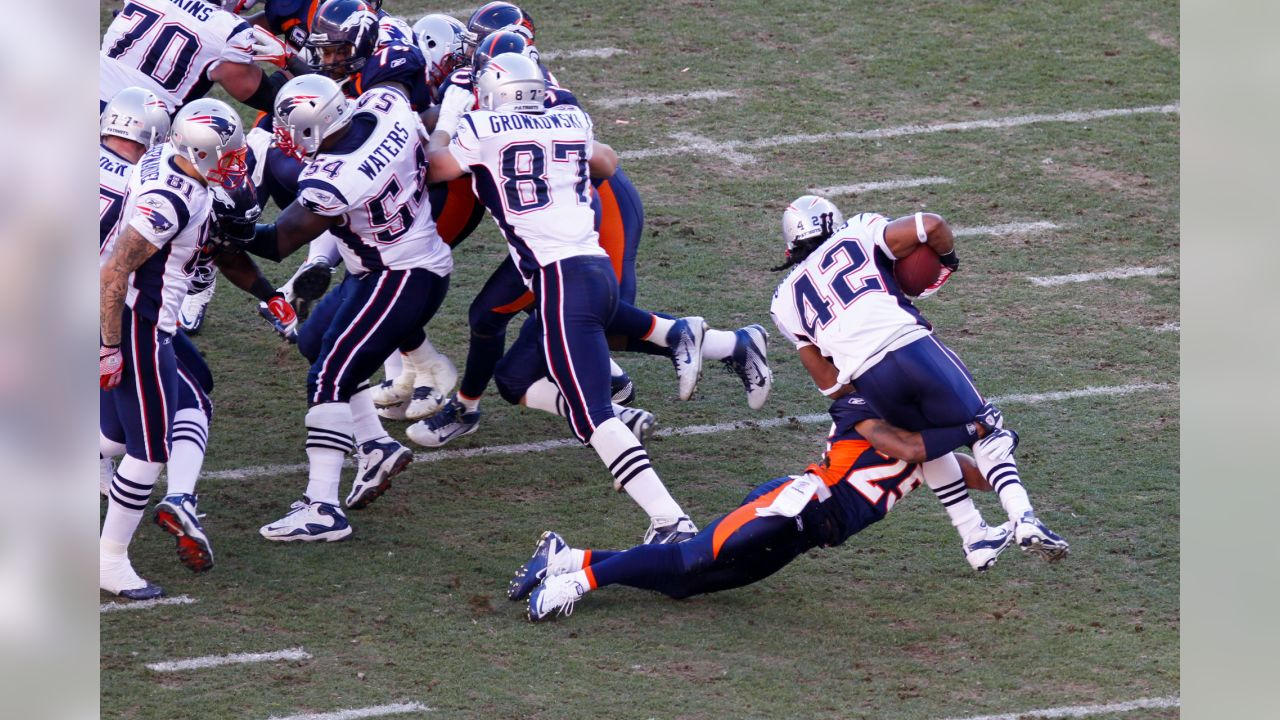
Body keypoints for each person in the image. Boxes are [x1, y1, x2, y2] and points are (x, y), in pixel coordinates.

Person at [426, 53, 697, 543]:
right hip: (595, 268)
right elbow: (607, 162)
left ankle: (670, 519)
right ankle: (701, 338)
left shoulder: (483, 127)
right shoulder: (570, 118)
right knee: (561, 387)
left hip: (557, 281)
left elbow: (436, 167)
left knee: (594, 415)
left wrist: (446, 121)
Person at [515, 393, 1014, 621]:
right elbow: (906, 450)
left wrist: (1001, 461)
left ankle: (568, 558)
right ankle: (575, 583)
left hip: (811, 533)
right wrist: (975, 429)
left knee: (687, 585)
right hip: (790, 504)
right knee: (688, 557)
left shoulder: (932, 449)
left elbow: (971, 474)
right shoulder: (861, 408)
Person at [768, 196, 1070, 562]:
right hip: (911, 347)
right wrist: (947, 262)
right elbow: (933, 226)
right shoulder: (858, 229)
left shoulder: (783, 300)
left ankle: (973, 534)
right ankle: (1024, 519)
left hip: (868, 377)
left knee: (931, 441)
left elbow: (830, 384)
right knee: (988, 427)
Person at [240, 74, 452, 540]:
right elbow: (429, 116)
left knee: (329, 378)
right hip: (380, 266)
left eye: (290, 128)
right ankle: (376, 446)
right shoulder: (385, 103)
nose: (284, 136)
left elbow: (278, 242)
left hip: (401, 275)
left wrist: (219, 225)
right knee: (315, 343)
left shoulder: (335, 176)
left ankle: (322, 508)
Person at [99, 98, 250, 598]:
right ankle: (109, 560)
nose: (235, 163)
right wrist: (109, 347)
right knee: (149, 448)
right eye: (226, 155)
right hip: (137, 320)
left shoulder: (166, 158)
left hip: (138, 316)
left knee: (116, 434)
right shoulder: (171, 201)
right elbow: (115, 270)